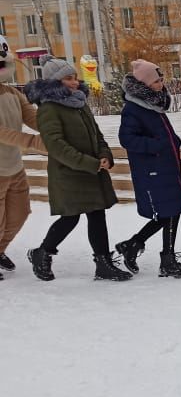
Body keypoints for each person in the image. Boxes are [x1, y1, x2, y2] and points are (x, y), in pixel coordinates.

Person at [25, 55, 130, 282]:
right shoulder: (49, 109)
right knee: (70, 217)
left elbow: (96, 134)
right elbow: (56, 146)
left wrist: (104, 154)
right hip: (69, 174)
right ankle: (42, 252)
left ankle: (103, 263)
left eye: (74, 78)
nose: (74, 82)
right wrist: (90, 163)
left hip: (91, 171)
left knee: (97, 213)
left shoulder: (79, 103)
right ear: (54, 82)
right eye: (68, 79)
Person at [114, 60, 181, 278]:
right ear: (145, 84)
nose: (161, 84)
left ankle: (134, 244)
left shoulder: (153, 104)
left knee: (171, 211)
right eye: (157, 81)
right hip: (153, 169)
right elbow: (126, 138)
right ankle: (166, 259)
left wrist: (173, 142)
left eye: (161, 79)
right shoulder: (133, 108)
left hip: (166, 166)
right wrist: (157, 146)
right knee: (169, 211)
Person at [0, 28, 45, 277]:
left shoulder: (12, 93)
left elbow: (33, 118)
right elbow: (3, 132)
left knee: (20, 213)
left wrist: (54, 130)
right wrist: (33, 142)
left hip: (14, 168)